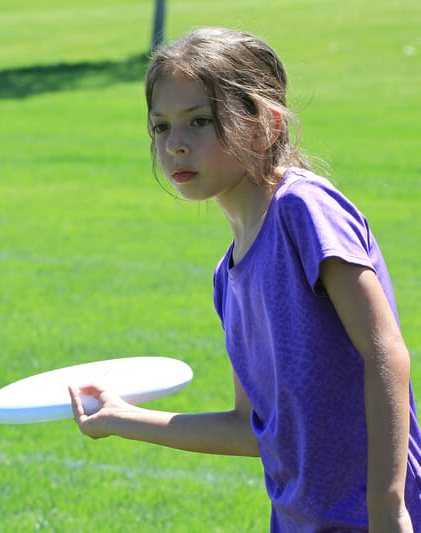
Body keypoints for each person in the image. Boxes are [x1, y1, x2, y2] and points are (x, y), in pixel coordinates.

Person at [68, 27, 421, 532]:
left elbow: (385, 351)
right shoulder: (225, 277)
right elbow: (252, 429)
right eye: (161, 127)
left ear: (264, 125)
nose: (176, 146)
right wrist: (122, 417)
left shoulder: (305, 210)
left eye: (199, 122)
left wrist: (388, 507)